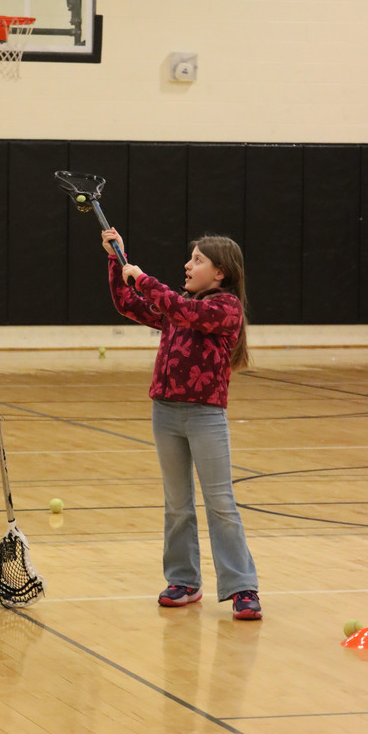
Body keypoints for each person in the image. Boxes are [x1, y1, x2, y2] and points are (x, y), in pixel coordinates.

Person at [101, 228, 262, 620]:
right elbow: (128, 304)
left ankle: (242, 587)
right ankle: (184, 580)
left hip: (205, 416)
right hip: (165, 413)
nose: (188, 266)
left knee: (221, 503)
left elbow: (182, 310)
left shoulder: (225, 308)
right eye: (190, 259)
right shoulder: (177, 304)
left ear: (220, 273)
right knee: (177, 504)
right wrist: (116, 257)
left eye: (197, 260)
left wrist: (143, 278)